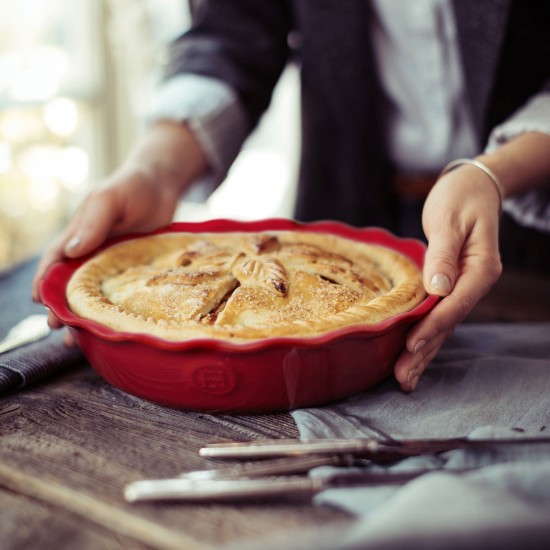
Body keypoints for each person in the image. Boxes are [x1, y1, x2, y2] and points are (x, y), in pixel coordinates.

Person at [32, 0, 550, 393]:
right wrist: (153, 171)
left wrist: (493, 172)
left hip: (521, 225)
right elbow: (235, 29)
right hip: (346, 201)